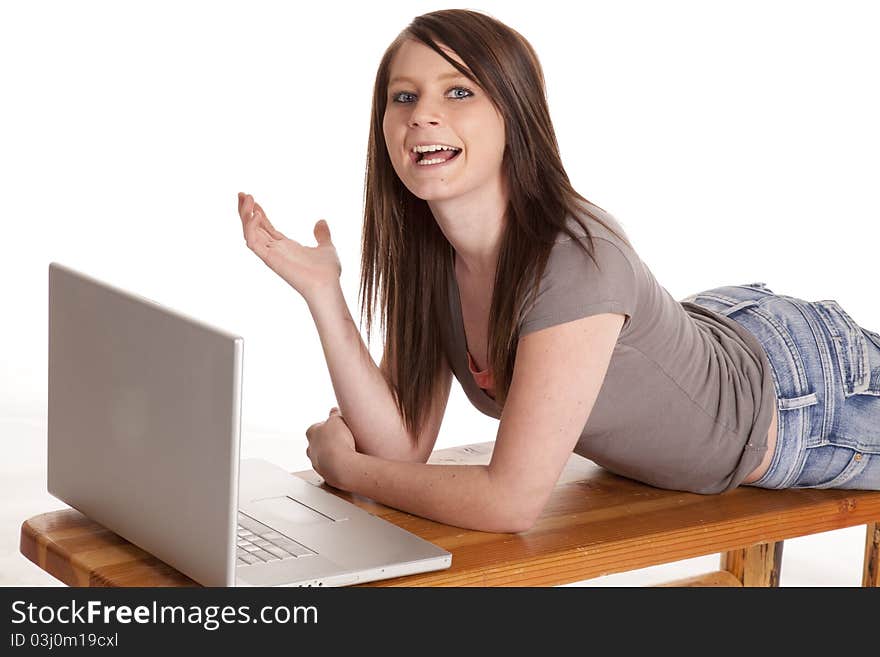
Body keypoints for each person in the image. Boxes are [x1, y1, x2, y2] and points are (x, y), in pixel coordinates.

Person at [235, 9, 880, 533]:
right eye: (404, 97)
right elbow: (402, 445)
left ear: (514, 114)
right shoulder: (434, 251)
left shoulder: (574, 259)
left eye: (458, 91)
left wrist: (350, 473)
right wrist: (325, 295)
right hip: (710, 332)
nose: (420, 114)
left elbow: (509, 502)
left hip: (803, 397)